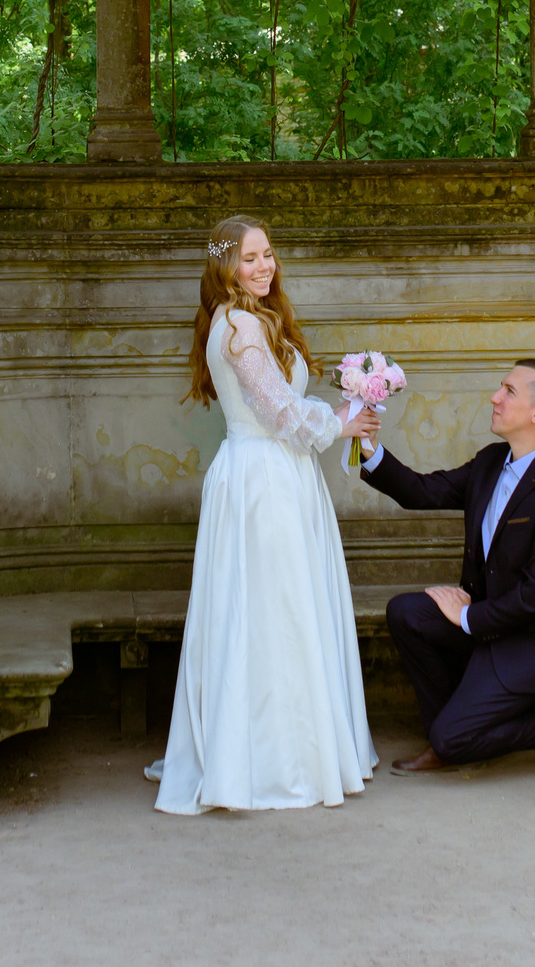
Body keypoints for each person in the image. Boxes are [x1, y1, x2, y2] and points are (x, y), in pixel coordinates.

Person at [148, 215, 380, 813]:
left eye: (268, 254)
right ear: (225, 266)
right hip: (264, 478)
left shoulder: (246, 319)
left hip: (276, 473)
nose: (263, 267)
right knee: (274, 609)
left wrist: (338, 408)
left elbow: (281, 404)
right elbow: (281, 414)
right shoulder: (240, 325)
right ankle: (277, 761)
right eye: (248, 258)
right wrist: (342, 423)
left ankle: (280, 748)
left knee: (273, 605)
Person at [358, 360, 535, 779]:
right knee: (406, 612)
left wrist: (465, 615)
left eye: (509, 391)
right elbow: (422, 491)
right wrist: (368, 448)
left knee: (452, 737)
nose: (495, 397)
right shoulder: (491, 462)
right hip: (491, 628)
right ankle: (450, 737)